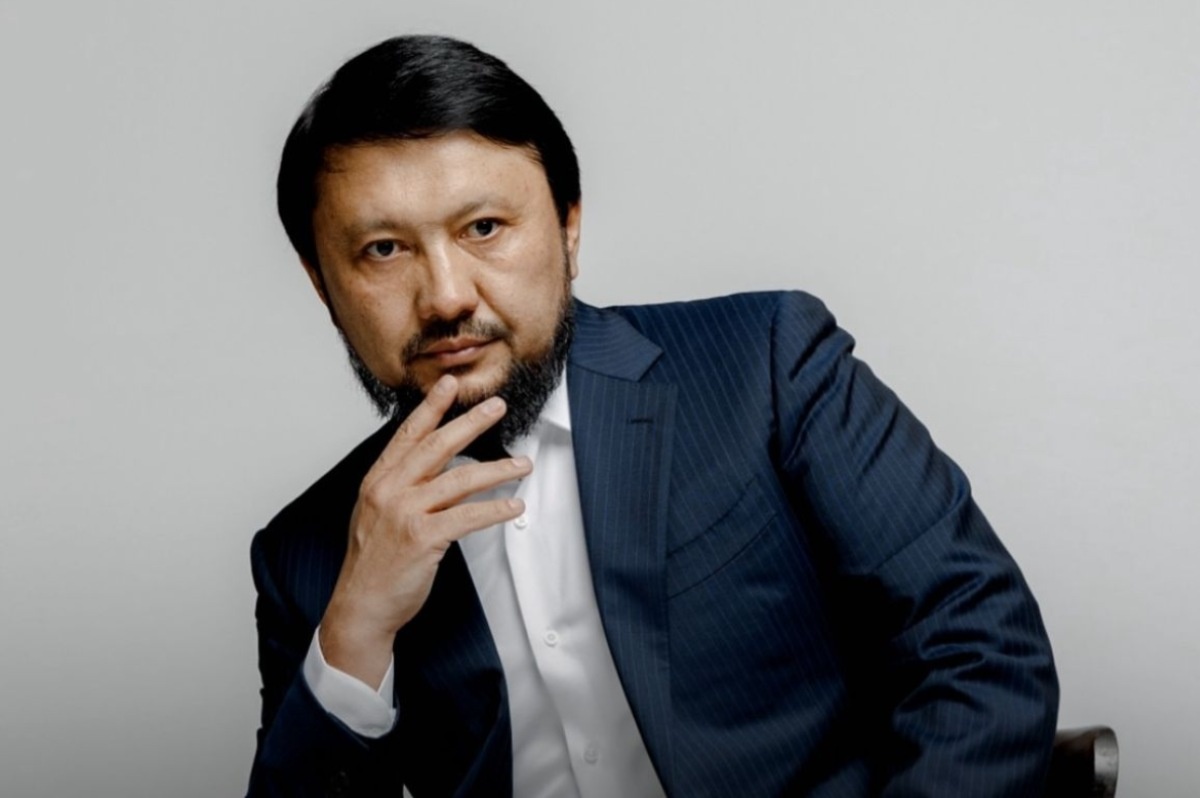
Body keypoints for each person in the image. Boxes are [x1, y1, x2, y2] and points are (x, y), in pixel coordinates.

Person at [249, 34, 1058, 798]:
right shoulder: (306, 557)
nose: (447, 296)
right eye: (384, 250)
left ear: (569, 228)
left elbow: (979, 647)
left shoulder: (765, 368)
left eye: (484, 228)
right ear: (322, 284)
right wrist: (356, 627)